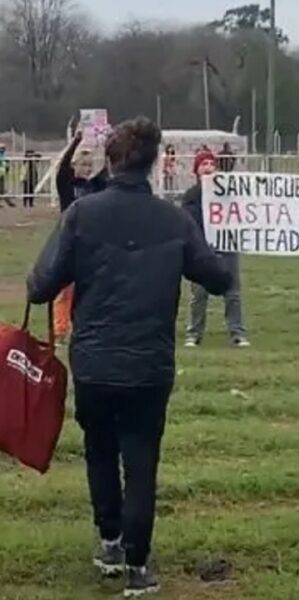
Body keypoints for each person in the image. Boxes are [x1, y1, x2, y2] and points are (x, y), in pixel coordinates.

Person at [26, 116, 232, 596]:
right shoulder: (175, 219)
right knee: (141, 462)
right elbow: (218, 280)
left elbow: (40, 288)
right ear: (155, 163)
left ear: (111, 162)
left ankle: (111, 542)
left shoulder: (82, 215)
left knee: (100, 451)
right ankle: (139, 567)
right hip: (149, 365)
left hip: (95, 361)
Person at [182, 150, 251, 348]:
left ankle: (237, 333)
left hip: (227, 247)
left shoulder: (228, 194)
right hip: (201, 251)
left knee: (232, 292)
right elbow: (190, 221)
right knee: (199, 294)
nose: (208, 167)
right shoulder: (191, 196)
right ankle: (194, 334)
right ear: (196, 170)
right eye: (203, 164)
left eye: (211, 163)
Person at [53, 131, 110, 344]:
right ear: (75, 165)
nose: (85, 169)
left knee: (88, 289)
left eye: (88, 166)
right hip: (68, 241)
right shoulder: (67, 186)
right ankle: (60, 330)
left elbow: (106, 171)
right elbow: (62, 168)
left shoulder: (95, 187)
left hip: (91, 242)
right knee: (65, 290)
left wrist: (104, 145)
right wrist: (75, 142)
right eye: (82, 165)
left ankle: (84, 327)